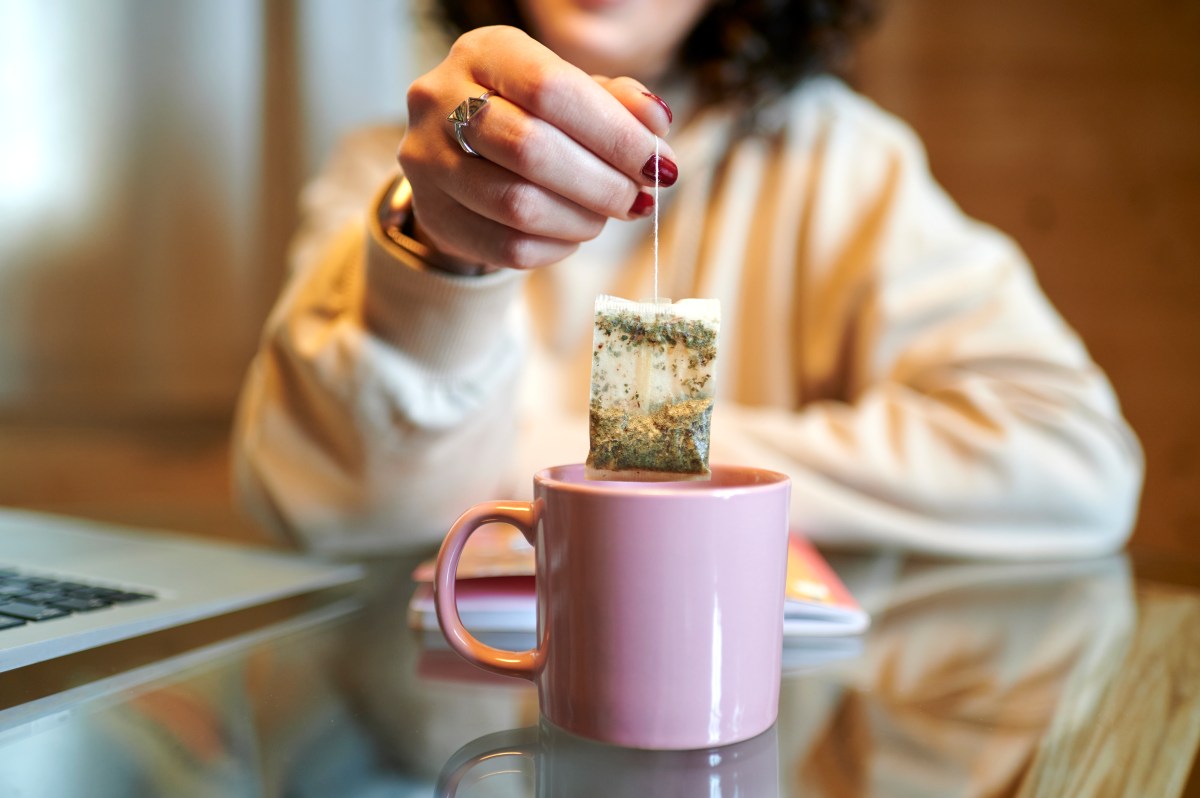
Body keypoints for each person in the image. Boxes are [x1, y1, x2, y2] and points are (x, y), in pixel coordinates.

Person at [232, 0, 1143, 559]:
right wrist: (433, 245)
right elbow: (310, 497)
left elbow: (1074, 460)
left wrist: (607, 463)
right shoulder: (391, 163)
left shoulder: (839, 163)